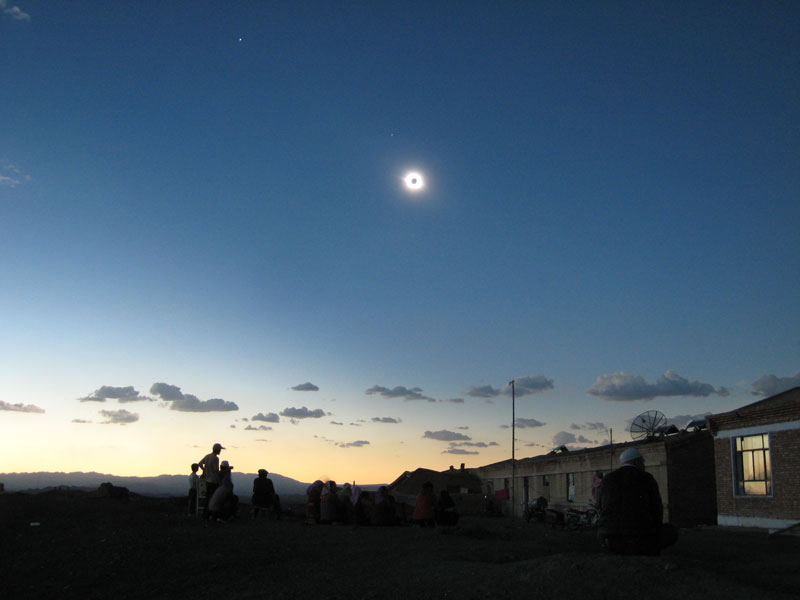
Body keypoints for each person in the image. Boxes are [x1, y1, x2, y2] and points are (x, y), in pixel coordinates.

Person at [597, 448, 678, 555]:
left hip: (608, 537)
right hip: (639, 536)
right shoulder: (646, 478)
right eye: (642, 461)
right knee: (671, 531)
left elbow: (600, 505)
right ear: (636, 461)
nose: (644, 465)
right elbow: (656, 508)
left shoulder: (607, 479)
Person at [198, 443, 224, 515]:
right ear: (217, 450)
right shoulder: (216, 458)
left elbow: (200, 463)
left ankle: (205, 514)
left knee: (208, 497)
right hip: (214, 481)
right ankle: (211, 514)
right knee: (213, 498)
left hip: (207, 480)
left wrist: (205, 470)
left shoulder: (207, 456)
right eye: (220, 450)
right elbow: (216, 470)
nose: (220, 451)